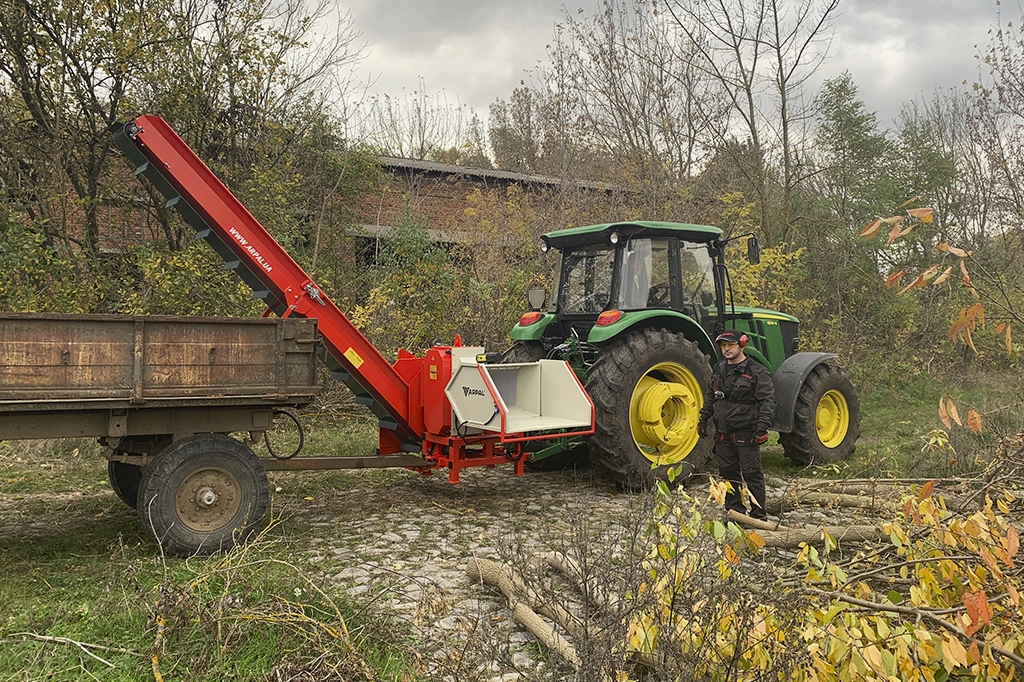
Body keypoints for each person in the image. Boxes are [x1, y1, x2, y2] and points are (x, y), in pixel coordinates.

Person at [697, 329, 776, 520]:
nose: (726, 349)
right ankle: (735, 514)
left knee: (752, 475)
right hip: (723, 434)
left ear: (741, 344)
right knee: (728, 475)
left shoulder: (757, 372)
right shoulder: (719, 369)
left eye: (730, 345)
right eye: (723, 346)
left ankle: (758, 516)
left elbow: (767, 401)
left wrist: (761, 428)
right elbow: (710, 396)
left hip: (746, 433)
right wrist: (703, 418)